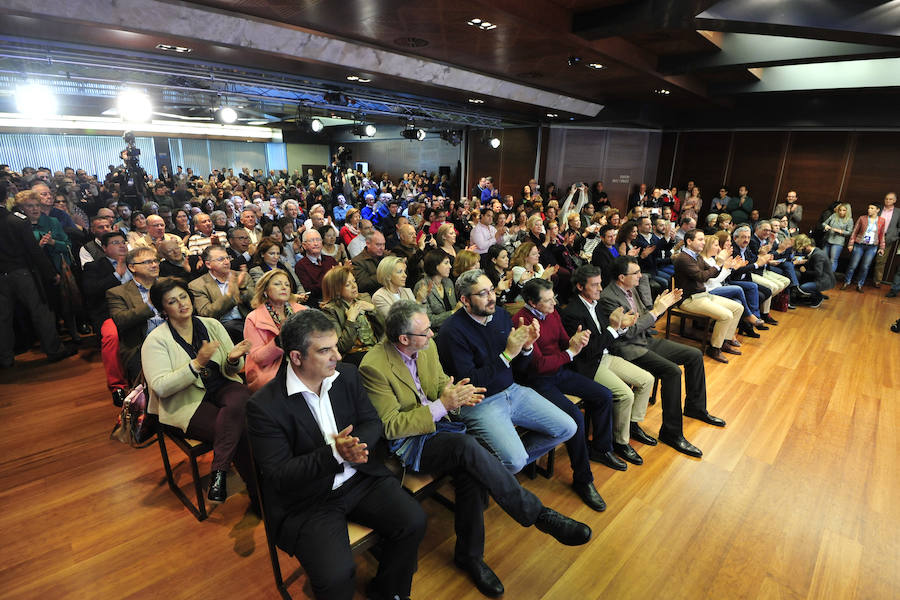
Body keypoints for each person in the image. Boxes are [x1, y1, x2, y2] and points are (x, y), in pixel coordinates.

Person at [359, 301, 591, 596]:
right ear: (403, 339)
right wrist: (443, 404)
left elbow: (441, 381)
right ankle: (538, 515)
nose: (432, 334)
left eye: (430, 327)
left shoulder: (425, 347)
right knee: (465, 446)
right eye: (425, 331)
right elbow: (391, 427)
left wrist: (454, 392)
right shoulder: (373, 366)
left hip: (442, 426)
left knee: (470, 472)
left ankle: (470, 557)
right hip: (409, 442)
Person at [245, 310, 426, 600]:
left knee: (413, 521)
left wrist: (353, 448)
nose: (338, 356)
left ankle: (388, 591)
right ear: (296, 357)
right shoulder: (264, 406)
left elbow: (371, 422)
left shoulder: (346, 377)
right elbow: (279, 475)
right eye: (325, 350)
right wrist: (335, 454)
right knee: (336, 576)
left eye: (335, 347)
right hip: (310, 500)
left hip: (361, 480)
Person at [435, 270, 577, 474]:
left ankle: (503, 466)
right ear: (465, 300)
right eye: (483, 293)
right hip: (480, 402)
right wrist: (508, 355)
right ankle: (505, 467)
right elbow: (470, 382)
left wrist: (527, 348)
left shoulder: (500, 315)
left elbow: (518, 367)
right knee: (515, 461)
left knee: (568, 428)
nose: (491, 297)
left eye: (492, 290)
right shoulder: (451, 331)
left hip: (512, 390)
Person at [598, 257, 726, 458]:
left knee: (694, 355)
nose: (641, 275)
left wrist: (657, 309)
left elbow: (644, 322)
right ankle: (671, 432)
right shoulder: (608, 298)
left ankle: (695, 408)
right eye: (636, 273)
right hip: (627, 349)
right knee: (672, 371)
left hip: (644, 340)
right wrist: (656, 311)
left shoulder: (631, 289)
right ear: (622, 277)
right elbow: (627, 333)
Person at [143, 276, 254, 505]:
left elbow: (234, 368)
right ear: (163, 308)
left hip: (221, 386)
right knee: (243, 428)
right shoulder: (156, 341)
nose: (182, 303)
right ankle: (260, 494)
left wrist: (233, 359)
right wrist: (196, 364)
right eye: (172, 301)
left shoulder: (211, 325)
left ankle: (219, 473)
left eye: (183, 296)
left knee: (242, 395)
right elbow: (161, 387)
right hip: (186, 401)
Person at [514, 278, 627, 483]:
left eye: (553, 298)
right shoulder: (522, 321)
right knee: (575, 416)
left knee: (604, 395)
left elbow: (564, 341)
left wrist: (576, 341)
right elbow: (537, 365)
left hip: (558, 371)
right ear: (532, 303)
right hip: (537, 381)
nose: (554, 303)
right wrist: (570, 352)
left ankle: (601, 449)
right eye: (548, 301)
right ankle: (583, 478)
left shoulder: (552, 313)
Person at [559, 265, 657, 463]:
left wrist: (621, 327)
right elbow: (587, 351)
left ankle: (631, 425)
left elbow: (606, 336)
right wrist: (614, 329)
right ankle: (620, 441)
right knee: (625, 394)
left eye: (600, 283)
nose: (600, 288)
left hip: (605, 356)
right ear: (580, 286)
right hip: (589, 364)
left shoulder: (596, 303)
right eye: (594, 285)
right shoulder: (572, 312)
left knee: (647, 379)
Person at [0, 202, 74, 368]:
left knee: (3, 318)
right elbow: (33, 250)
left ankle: (5, 358)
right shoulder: (17, 220)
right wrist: (50, 273)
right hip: (22, 272)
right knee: (41, 311)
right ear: (5, 198)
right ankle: (54, 350)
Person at [672, 230, 744, 363]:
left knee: (738, 308)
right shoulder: (683, 258)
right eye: (700, 239)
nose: (703, 242)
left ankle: (724, 342)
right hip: (689, 299)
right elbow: (702, 276)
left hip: (702, 295)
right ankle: (714, 348)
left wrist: (721, 263)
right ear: (689, 241)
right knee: (726, 315)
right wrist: (718, 263)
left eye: (703, 240)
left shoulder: (696, 256)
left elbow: (713, 274)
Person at [243, 269, 308, 392]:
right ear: (266, 290)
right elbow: (258, 358)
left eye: (287, 284)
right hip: (271, 369)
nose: (283, 287)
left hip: (302, 361)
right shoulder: (253, 318)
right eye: (277, 284)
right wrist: (280, 340)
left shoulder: (302, 311)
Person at [188, 245, 255, 342]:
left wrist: (242, 288)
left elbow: (256, 303)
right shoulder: (197, 285)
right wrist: (229, 296)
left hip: (247, 320)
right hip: (221, 327)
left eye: (227, 258)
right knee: (232, 327)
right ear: (208, 264)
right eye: (221, 259)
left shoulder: (241, 276)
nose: (227, 262)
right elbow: (206, 314)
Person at [320, 266, 384, 365]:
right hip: (353, 356)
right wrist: (350, 320)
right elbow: (342, 346)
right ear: (336, 289)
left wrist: (374, 310)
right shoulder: (330, 311)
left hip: (375, 349)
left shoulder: (364, 298)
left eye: (354, 281)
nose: (354, 286)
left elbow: (384, 330)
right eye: (348, 284)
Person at [842, 202, 886, 292]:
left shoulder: (882, 220)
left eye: (872, 208)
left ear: (877, 210)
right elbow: (855, 231)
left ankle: (860, 284)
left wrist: (882, 248)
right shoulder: (862, 218)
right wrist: (850, 244)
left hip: (872, 247)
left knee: (865, 267)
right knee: (853, 265)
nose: (869, 210)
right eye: (869, 208)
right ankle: (846, 282)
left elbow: (882, 235)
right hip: (859, 245)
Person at [293, 229, 336, 306]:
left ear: (322, 243)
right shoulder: (301, 266)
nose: (316, 243)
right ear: (304, 245)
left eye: (318, 240)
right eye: (312, 241)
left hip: (336, 298)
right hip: (318, 303)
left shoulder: (330, 260)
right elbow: (310, 291)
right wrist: (330, 278)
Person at [792, 234, 835, 307]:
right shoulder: (816, 251)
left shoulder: (817, 255)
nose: (802, 251)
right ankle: (813, 296)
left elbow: (818, 273)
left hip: (823, 280)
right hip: (823, 278)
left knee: (802, 288)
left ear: (808, 246)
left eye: (803, 249)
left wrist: (804, 271)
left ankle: (818, 297)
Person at [873, 192, 899, 286]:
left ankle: (877, 281)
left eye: (890, 199)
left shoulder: (898, 212)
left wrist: (894, 236)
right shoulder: (878, 209)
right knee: (868, 259)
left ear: (895, 200)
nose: (888, 201)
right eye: (886, 198)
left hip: (887, 239)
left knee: (881, 261)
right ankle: (862, 279)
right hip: (873, 237)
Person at [351, 230, 386, 295]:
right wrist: (384, 275)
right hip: (372, 296)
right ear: (368, 244)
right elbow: (362, 284)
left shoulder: (386, 256)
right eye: (378, 245)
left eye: (383, 244)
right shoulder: (357, 261)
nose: (382, 248)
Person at [822, 203, 853, 273]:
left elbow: (849, 232)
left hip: (838, 242)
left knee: (833, 260)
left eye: (844, 210)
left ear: (847, 211)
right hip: (828, 239)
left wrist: (839, 231)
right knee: (823, 257)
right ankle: (822, 273)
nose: (841, 212)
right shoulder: (834, 216)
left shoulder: (849, 220)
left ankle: (830, 276)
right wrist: (825, 226)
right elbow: (824, 223)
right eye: (840, 210)